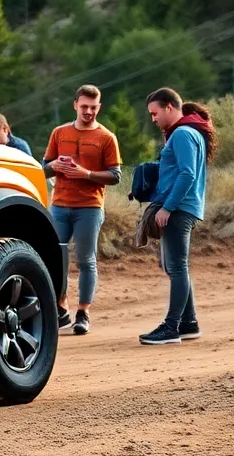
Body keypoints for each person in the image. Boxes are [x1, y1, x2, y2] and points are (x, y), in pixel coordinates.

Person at [139, 88, 217, 346]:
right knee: (174, 266)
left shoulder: (183, 134)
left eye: (155, 113)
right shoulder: (189, 132)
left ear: (169, 107)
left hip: (180, 208)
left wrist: (167, 207)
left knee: (176, 266)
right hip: (186, 206)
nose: (153, 119)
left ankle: (171, 327)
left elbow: (187, 175)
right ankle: (189, 322)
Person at [43, 84, 122, 336]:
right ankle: (60, 307)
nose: (88, 111)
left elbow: (115, 176)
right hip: (60, 205)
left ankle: (83, 311)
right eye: (84, 106)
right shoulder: (59, 133)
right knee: (54, 258)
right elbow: (44, 168)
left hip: (89, 206)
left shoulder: (106, 137)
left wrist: (85, 173)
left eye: (93, 107)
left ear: (99, 107)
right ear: (75, 105)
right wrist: (54, 165)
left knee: (86, 260)